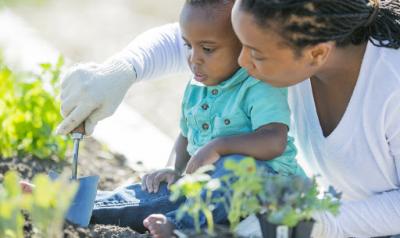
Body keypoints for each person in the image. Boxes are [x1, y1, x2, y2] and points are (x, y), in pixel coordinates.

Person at [57, 0, 400, 237]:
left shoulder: (391, 87)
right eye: (241, 47)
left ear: (317, 53)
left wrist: (324, 223)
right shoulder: (286, 43)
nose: (243, 64)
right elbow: (196, 39)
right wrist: (122, 70)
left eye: (255, 54)